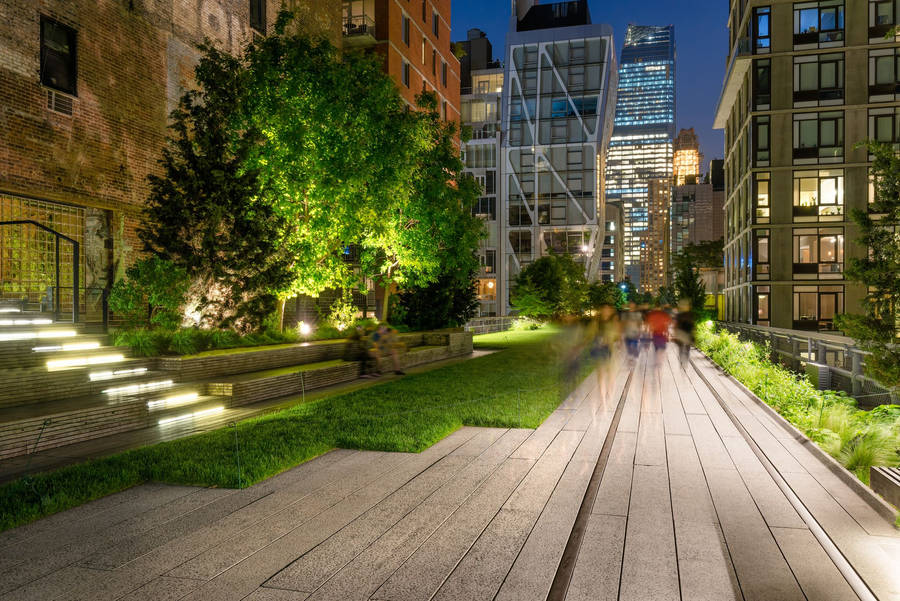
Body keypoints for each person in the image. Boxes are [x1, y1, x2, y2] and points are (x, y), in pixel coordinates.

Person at [589, 305, 620, 402]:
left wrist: (609, 337)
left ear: (611, 311)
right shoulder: (596, 322)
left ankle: (610, 394)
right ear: (601, 310)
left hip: (610, 351)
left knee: (611, 375)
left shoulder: (613, 321)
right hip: (599, 350)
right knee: (601, 375)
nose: (606, 311)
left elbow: (617, 334)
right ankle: (603, 397)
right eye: (604, 309)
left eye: (608, 309)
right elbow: (590, 334)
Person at [674, 299, 696, 368]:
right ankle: (684, 361)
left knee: (682, 348)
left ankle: (682, 361)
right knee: (686, 348)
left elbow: (676, 325)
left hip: (682, 333)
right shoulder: (690, 314)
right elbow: (693, 325)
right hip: (686, 333)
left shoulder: (679, 315)